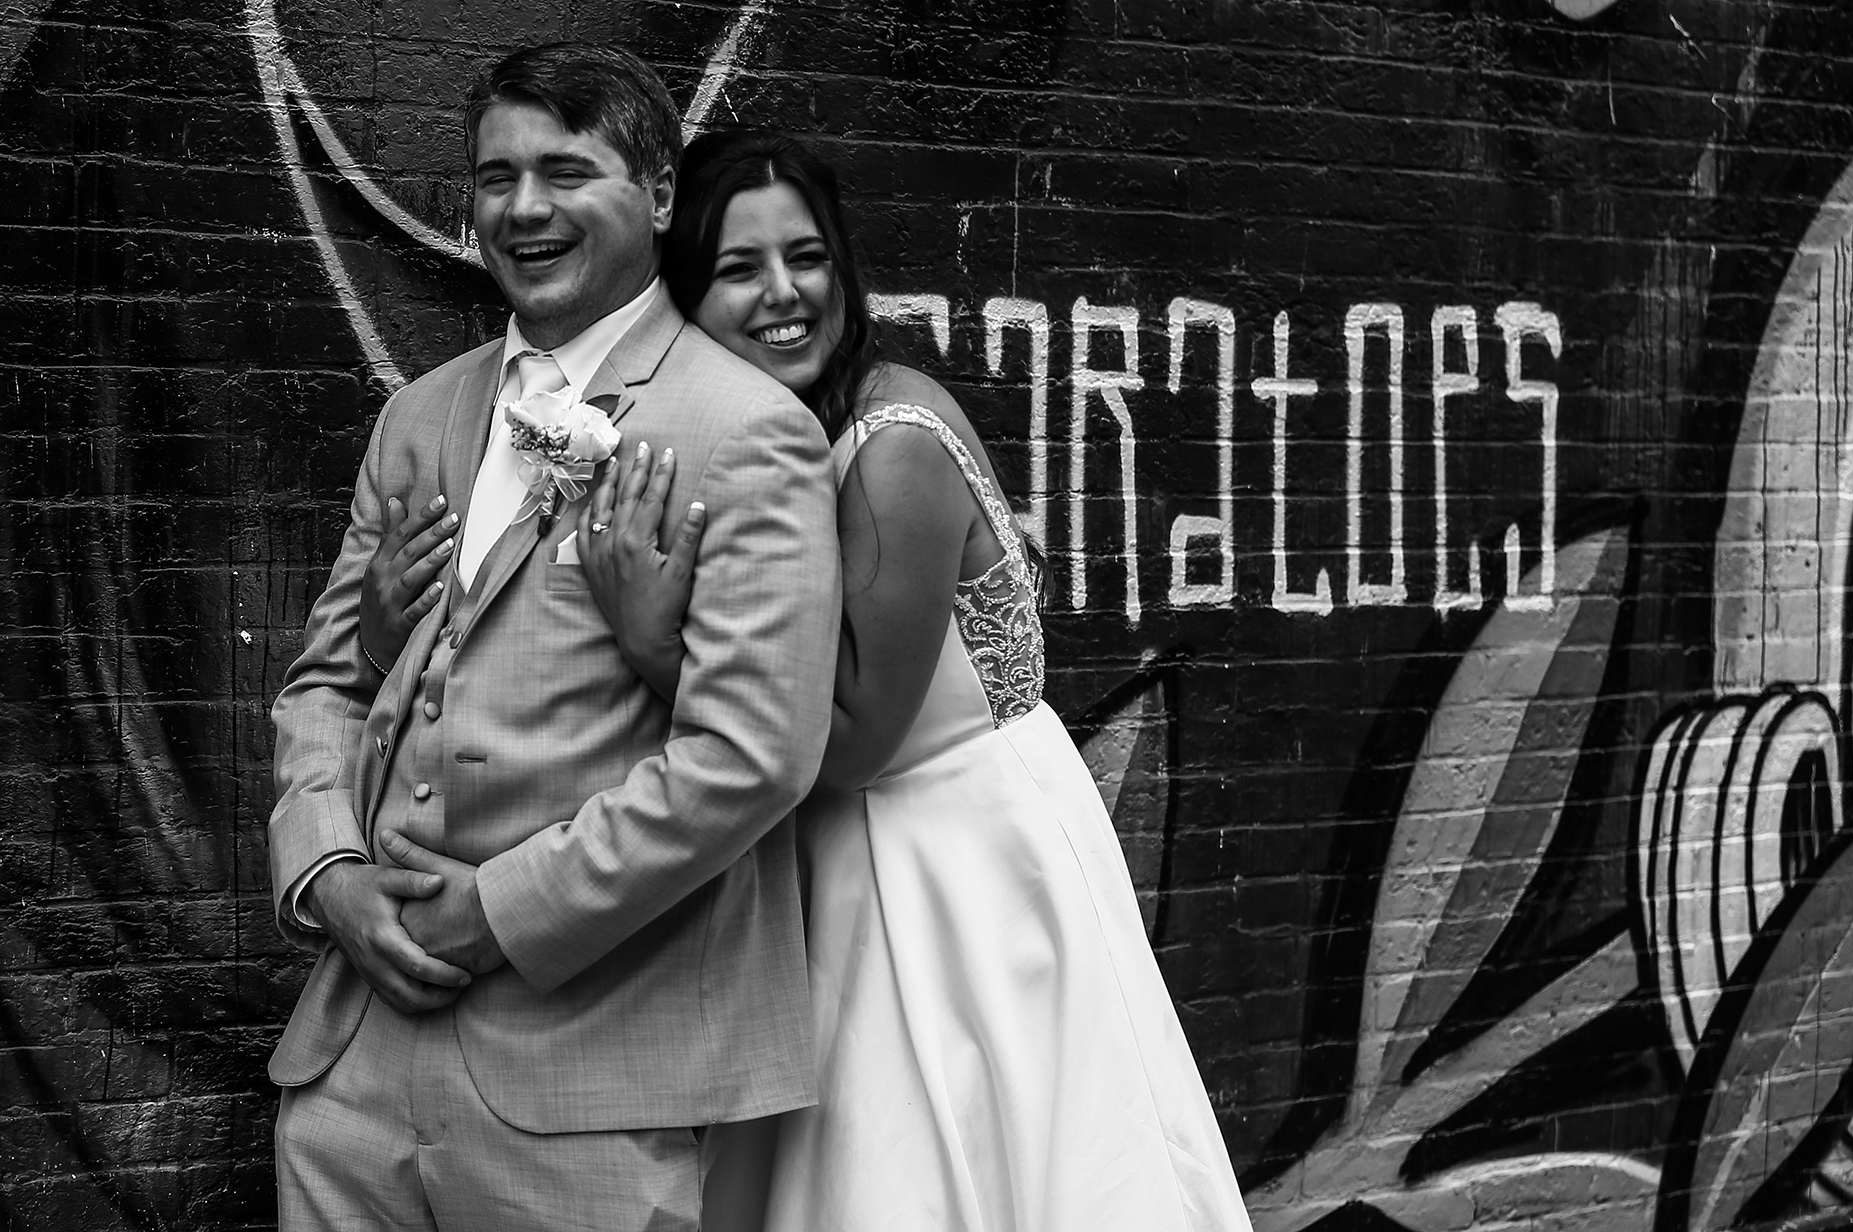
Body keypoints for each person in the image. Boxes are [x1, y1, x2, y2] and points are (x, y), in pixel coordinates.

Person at [591, 128, 1257, 1232]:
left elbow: (850, 736)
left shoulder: (889, 437)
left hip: (959, 860)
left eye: (804, 256)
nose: (782, 293)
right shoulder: (775, 437)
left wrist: (649, 635)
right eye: (737, 269)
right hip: (851, 858)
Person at [263, 48, 841, 1230]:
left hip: (585, 1082)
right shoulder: (417, 415)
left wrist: (502, 910)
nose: (522, 209)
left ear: (661, 195)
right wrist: (330, 873)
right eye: (494, 177)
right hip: (348, 1075)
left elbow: (754, 754)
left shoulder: (745, 432)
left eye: (565, 171)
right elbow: (325, 678)